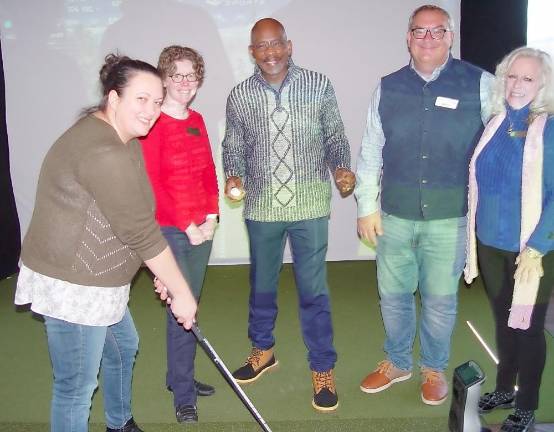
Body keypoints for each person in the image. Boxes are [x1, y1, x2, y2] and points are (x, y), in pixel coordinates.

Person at [14, 54, 197, 432]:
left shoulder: (122, 137)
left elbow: (131, 217)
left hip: (102, 280)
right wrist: (182, 292)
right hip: (75, 284)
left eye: (158, 101)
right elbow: (141, 232)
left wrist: (155, 268)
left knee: (123, 348)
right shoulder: (104, 150)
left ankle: (119, 423)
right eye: (141, 100)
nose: (151, 111)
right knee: (76, 387)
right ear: (114, 99)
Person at [355, 4, 494, 405]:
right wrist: (367, 206)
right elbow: (370, 150)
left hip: (450, 217)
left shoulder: (480, 84)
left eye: (437, 32)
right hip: (394, 215)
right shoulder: (387, 86)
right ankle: (397, 362)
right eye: (420, 32)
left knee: (439, 299)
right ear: (408, 38)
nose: (428, 39)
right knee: (394, 295)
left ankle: (434, 368)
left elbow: (498, 144)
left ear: (450, 36)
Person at [222, 17, 355, 412]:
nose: (270, 53)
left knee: (313, 291)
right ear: (252, 52)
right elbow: (234, 145)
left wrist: (341, 167)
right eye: (261, 46)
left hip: (310, 206)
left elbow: (335, 136)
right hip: (261, 207)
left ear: (289, 45)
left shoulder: (318, 85)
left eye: (276, 43)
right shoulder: (240, 95)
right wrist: (233, 175)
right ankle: (262, 350)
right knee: (262, 283)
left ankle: (322, 368)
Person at [464, 47, 554, 432]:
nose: (517, 85)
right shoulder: (495, 121)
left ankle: (527, 404)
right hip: (490, 244)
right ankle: (505, 388)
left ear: (543, 85)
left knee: (528, 327)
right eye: (512, 76)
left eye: (528, 78)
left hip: (532, 250)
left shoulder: (548, 129)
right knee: (504, 321)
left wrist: (537, 245)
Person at [141, 45, 219, 424]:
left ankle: (178, 377)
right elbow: (154, 185)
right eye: (177, 75)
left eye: (192, 75)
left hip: (200, 230)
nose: (185, 82)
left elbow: (207, 171)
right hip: (170, 230)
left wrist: (212, 217)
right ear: (164, 79)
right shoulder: (153, 123)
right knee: (182, 309)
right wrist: (188, 223)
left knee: (189, 304)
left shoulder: (198, 119)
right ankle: (183, 396)